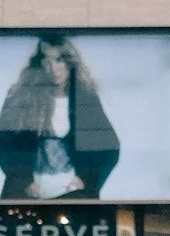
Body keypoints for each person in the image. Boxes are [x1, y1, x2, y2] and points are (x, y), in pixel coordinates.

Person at [0, 35, 117, 199]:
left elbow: (110, 148)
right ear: (39, 64)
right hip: (26, 197)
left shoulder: (85, 98)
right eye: (47, 61)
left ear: (70, 62)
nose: (53, 68)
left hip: (73, 197)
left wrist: (87, 179)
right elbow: (3, 143)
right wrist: (23, 180)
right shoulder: (21, 95)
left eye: (59, 60)